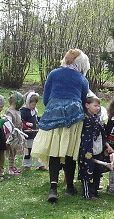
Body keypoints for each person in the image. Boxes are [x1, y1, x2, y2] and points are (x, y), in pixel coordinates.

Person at [31, 48, 91, 203]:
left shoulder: (54, 74)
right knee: (70, 151)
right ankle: (70, 186)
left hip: (54, 113)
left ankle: (53, 188)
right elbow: (84, 100)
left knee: (55, 151)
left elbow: (46, 98)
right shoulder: (82, 79)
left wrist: (55, 107)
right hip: (73, 116)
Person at [78, 91, 110, 200]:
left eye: (98, 105)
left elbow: (102, 133)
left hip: (98, 149)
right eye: (95, 105)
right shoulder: (84, 118)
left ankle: (95, 191)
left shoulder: (97, 118)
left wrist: (107, 145)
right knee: (88, 170)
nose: (97, 108)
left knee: (97, 170)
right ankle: (88, 193)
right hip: (87, 150)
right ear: (87, 105)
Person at [20, 91, 46, 171]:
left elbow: (35, 119)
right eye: (33, 104)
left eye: (35, 104)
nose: (35, 106)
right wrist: (26, 124)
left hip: (35, 133)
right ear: (28, 102)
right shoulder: (23, 111)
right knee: (28, 149)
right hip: (28, 134)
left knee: (38, 148)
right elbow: (20, 121)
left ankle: (40, 164)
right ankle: (27, 164)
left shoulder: (34, 111)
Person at [5, 91, 24, 176]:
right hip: (12, 135)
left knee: (14, 151)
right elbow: (8, 124)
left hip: (17, 134)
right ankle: (10, 168)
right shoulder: (10, 111)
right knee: (11, 151)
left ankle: (12, 166)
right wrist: (9, 135)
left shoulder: (16, 111)